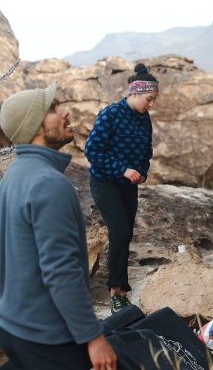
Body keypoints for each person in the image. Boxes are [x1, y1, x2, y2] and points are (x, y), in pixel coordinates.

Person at [0, 85, 117, 369]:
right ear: (35, 126)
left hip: (13, 326)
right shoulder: (49, 185)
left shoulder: (14, 175)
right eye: (52, 109)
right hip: (48, 337)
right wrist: (93, 337)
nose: (65, 112)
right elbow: (61, 271)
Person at [84, 63, 157, 314]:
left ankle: (121, 289)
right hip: (105, 182)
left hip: (128, 186)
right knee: (120, 232)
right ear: (134, 93)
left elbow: (147, 149)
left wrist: (143, 171)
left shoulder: (144, 119)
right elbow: (91, 151)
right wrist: (122, 169)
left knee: (125, 235)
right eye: (149, 99)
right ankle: (116, 292)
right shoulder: (110, 114)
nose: (151, 104)